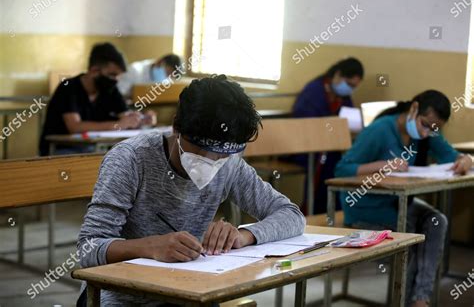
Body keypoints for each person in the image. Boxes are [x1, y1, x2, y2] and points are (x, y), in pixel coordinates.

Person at [76, 74, 306, 306]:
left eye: (222, 154)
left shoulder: (230, 164)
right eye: (201, 149)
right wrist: (150, 247)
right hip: (122, 296)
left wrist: (244, 235)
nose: (211, 160)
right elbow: (88, 248)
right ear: (177, 127)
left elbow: (292, 215)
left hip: (190, 293)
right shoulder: (131, 159)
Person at [334, 90, 473, 307]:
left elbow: (451, 156)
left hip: (398, 204)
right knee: (413, 235)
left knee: (437, 222)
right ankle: (406, 303)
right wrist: (382, 166)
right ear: (414, 108)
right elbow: (342, 170)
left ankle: (420, 299)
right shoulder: (379, 131)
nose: (427, 133)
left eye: (433, 128)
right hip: (365, 207)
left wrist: (465, 160)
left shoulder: (425, 132)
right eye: (425, 125)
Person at [40, 43, 156, 156]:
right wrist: (118, 124)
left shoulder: (110, 90)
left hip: (93, 148)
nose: (116, 80)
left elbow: (125, 117)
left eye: (118, 76)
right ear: (94, 71)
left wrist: (141, 119)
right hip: (62, 149)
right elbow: (75, 127)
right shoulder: (68, 88)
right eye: (112, 74)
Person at [291, 57, 364, 214]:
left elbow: (348, 119)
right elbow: (304, 124)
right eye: (349, 84)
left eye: (354, 87)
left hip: (331, 147)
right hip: (306, 147)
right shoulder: (314, 92)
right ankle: (316, 212)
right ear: (337, 74)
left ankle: (337, 212)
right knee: (331, 165)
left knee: (347, 163)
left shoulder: (342, 96)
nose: (350, 90)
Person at [117, 54, 183, 98]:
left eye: (169, 76)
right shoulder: (134, 70)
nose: (166, 77)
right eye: (167, 73)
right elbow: (120, 94)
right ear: (160, 62)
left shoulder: (166, 81)